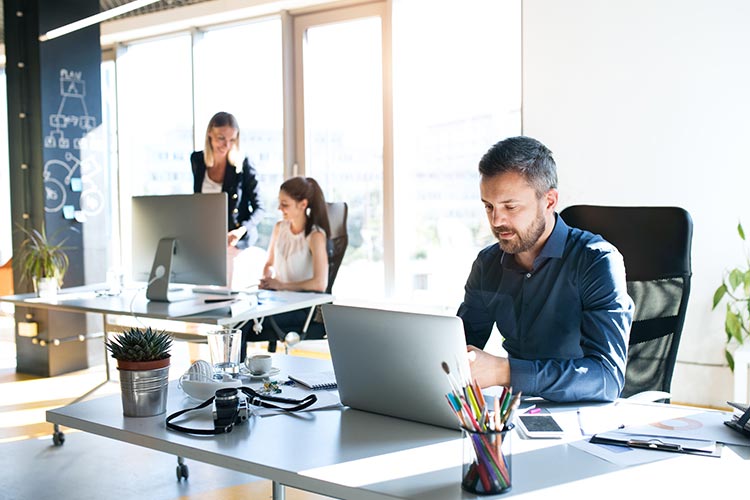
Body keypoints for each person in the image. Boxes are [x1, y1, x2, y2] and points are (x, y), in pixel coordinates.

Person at [457, 136, 634, 403]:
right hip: (515, 412)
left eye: (510, 206)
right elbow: (458, 349)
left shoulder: (596, 261)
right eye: (489, 206)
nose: (496, 220)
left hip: (584, 417)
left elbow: (607, 379)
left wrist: (505, 371)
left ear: (549, 201)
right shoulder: (487, 264)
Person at [240, 176, 331, 356]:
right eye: (279, 203)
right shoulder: (279, 228)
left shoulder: (315, 236)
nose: (279, 208)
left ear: (303, 204)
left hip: (301, 308)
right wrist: (268, 278)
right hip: (277, 301)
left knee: (241, 324)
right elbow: (269, 263)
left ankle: (234, 377)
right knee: (236, 317)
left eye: (285, 204)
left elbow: (320, 284)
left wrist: (281, 285)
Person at [191, 112, 263, 286]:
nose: (226, 145)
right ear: (210, 134)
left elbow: (259, 208)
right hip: (208, 235)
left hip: (235, 236)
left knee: (223, 274)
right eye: (221, 138)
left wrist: (240, 231)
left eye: (232, 140)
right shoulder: (198, 160)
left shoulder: (242, 164)